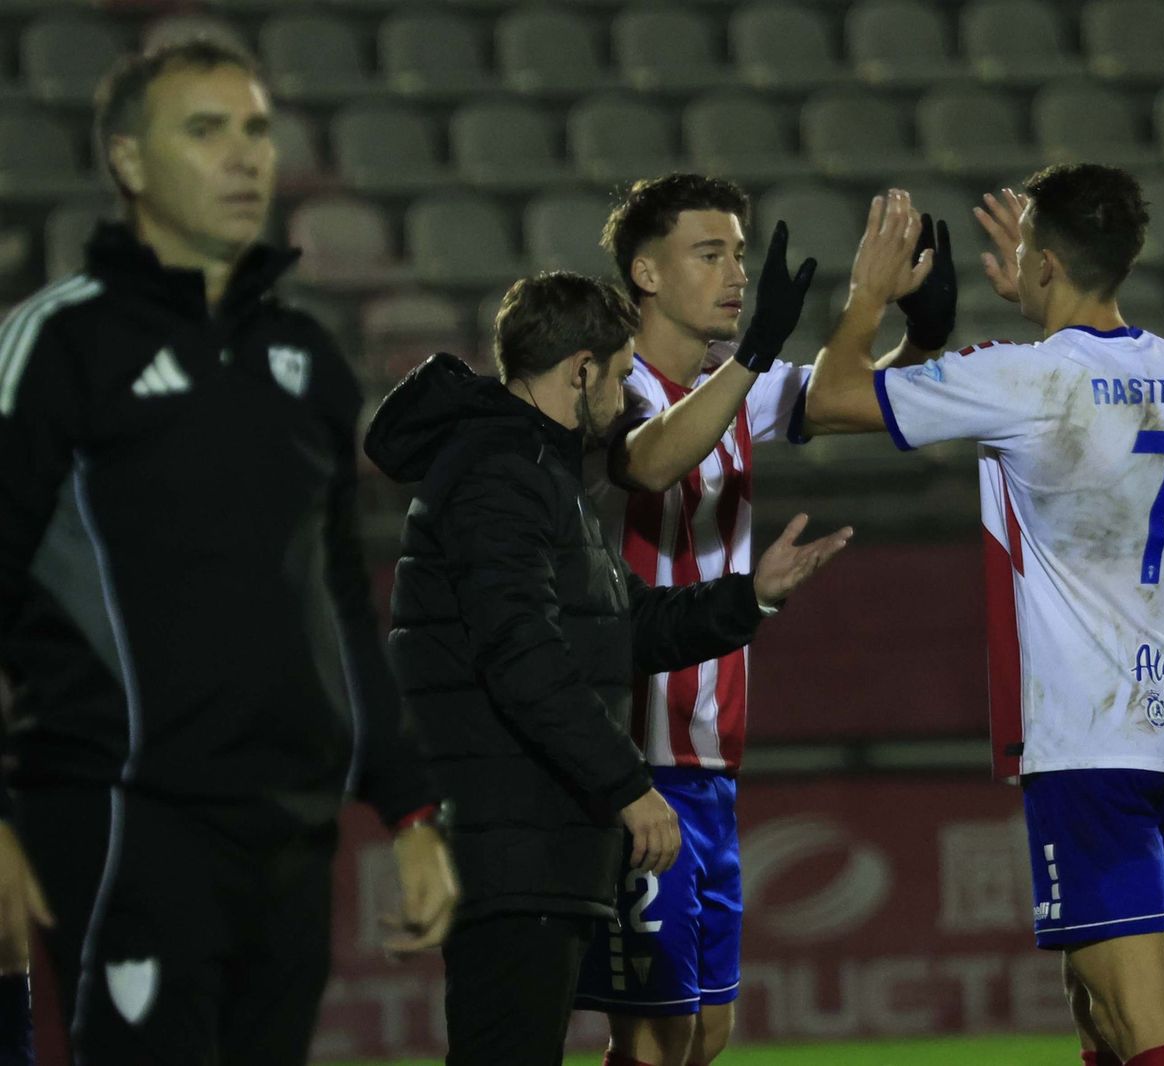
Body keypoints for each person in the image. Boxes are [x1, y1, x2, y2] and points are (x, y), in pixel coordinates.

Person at [0, 38, 457, 1065]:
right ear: (126, 163)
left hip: (287, 834)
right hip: (121, 823)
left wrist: (409, 806)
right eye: (205, 131)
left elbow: (338, 599)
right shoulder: (58, 345)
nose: (246, 156)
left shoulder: (305, 360)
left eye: (255, 128)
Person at [363, 270, 851, 1066]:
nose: (628, 396)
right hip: (512, 837)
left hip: (535, 837)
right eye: (622, 375)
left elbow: (623, 628)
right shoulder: (500, 471)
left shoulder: (539, 471)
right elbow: (523, 657)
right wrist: (628, 786)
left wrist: (749, 597)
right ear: (580, 368)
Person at [804, 172, 1164, 1066]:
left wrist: (869, 295)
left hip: (1094, 730)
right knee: (1100, 1011)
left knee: (1143, 1021)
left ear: (1047, 261)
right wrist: (1043, 303)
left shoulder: (1028, 378)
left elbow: (832, 399)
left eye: (1026, 241)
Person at [569, 173, 953, 1066]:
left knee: (704, 1033)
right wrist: (762, 354)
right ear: (646, 272)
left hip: (709, 758)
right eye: (710, 253)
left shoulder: (727, 380)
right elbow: (652, 463)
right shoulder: (610, 384)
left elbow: (848, 395)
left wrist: (916, 331)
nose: (736, 272)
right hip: (635, 753)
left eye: (739, 253)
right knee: (658, 1036)